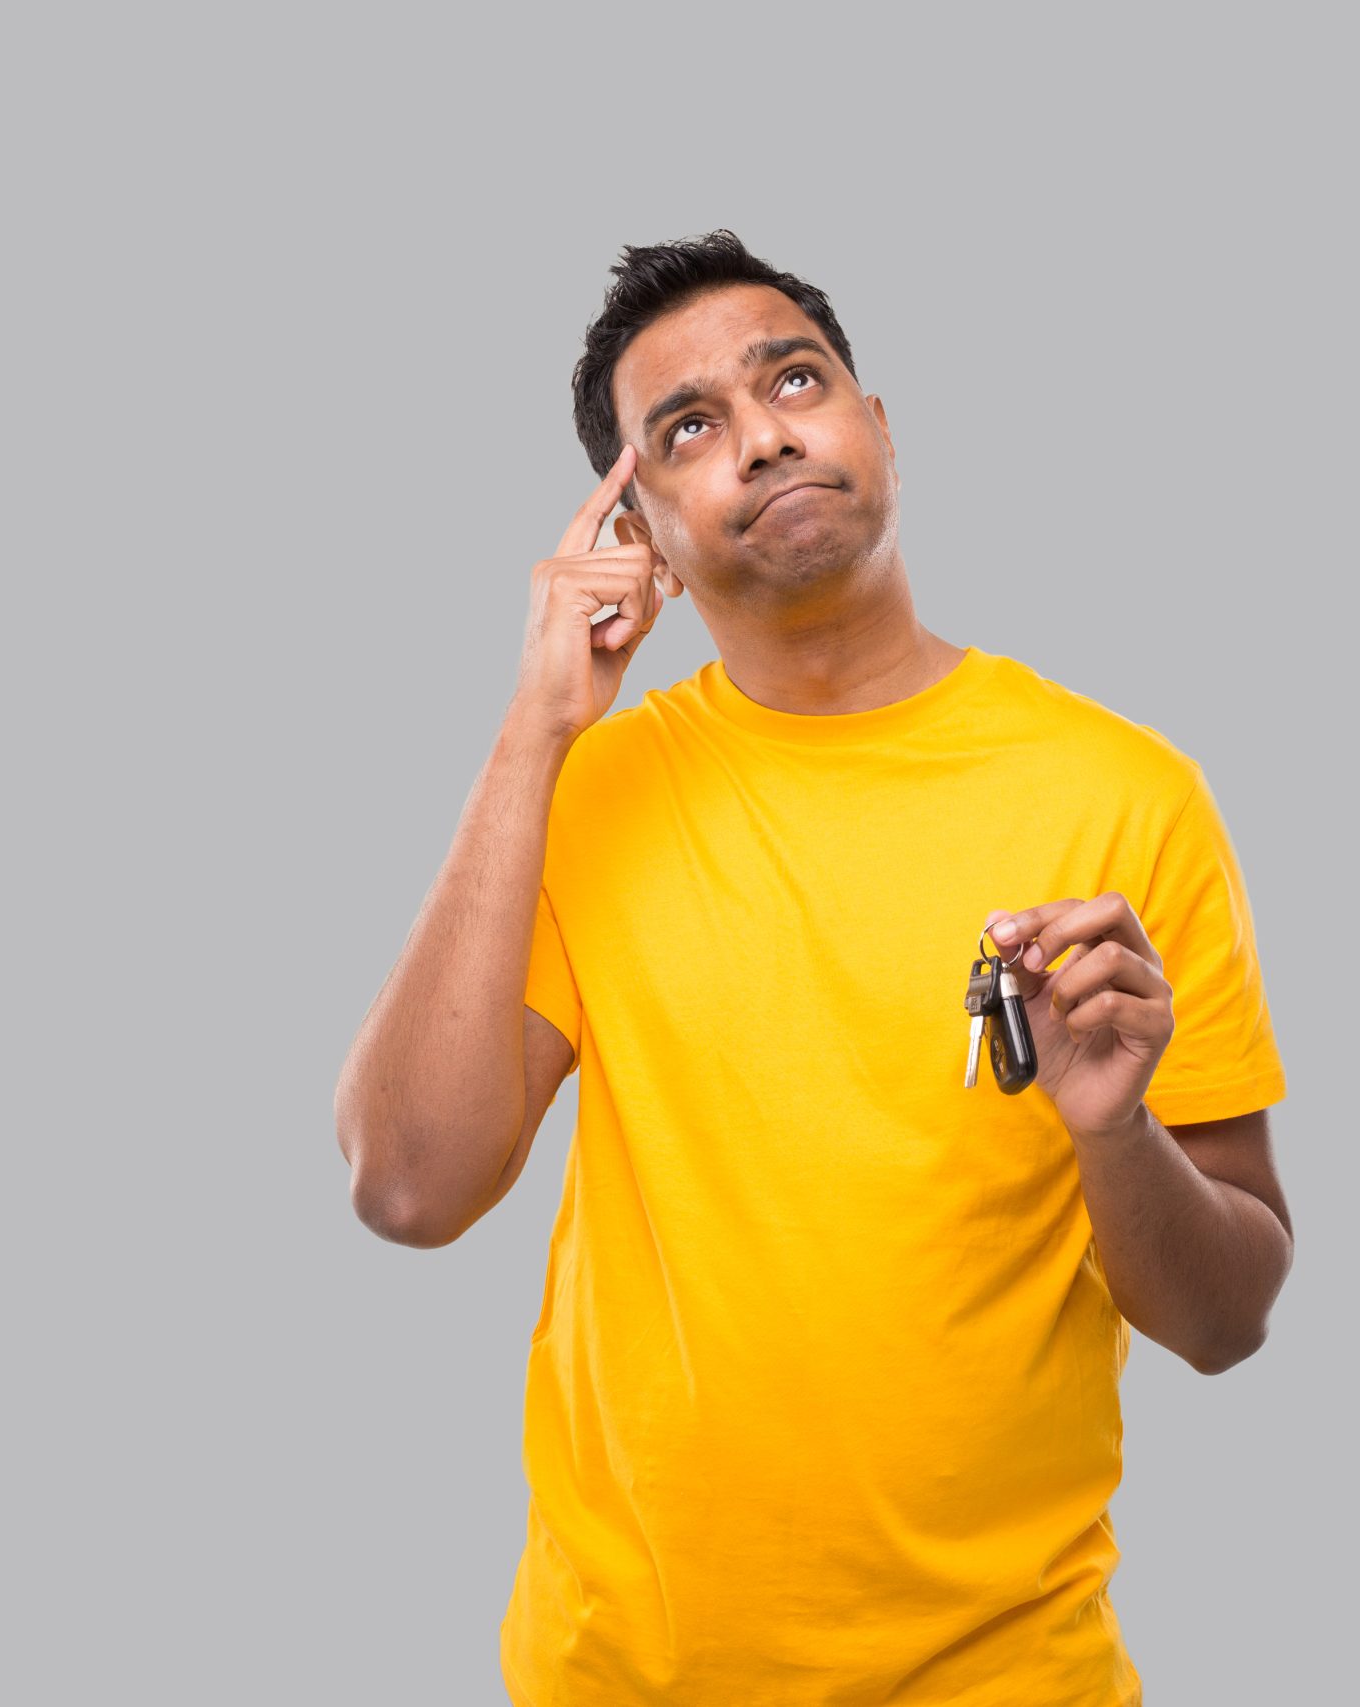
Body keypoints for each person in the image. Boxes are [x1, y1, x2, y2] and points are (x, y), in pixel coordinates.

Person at [335, 230, 1294, 1706]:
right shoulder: (585, 795)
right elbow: (409, 1188)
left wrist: (1116, 1133)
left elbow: (1226, 1322)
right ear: (639, 533)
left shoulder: (1129, 797)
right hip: (623, 1680)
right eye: (688, 427)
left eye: (795, 380)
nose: (765, 433)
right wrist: (535, 730)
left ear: (879, 428)